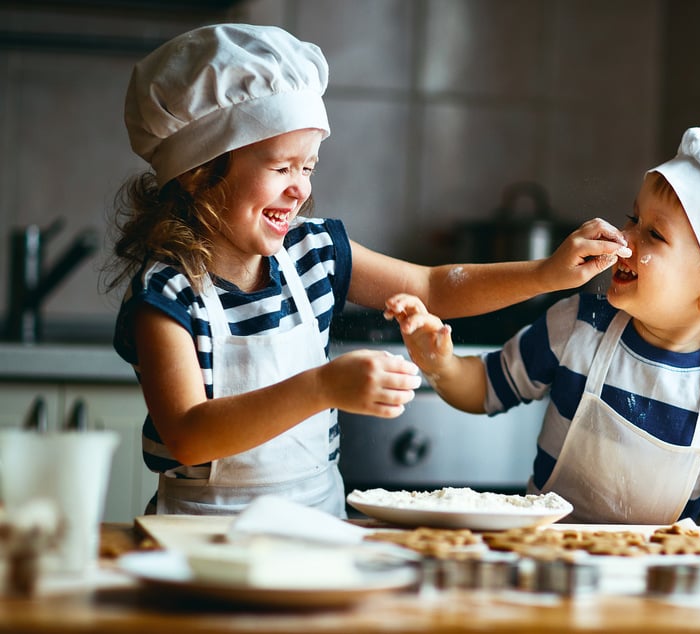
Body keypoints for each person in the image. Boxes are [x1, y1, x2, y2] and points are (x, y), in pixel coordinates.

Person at [106, 23, 630, 517]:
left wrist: (546, 274)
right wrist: (320, 388)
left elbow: (432, 285)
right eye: (281, 166)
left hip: (317, 527)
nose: (301, 188)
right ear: (200, 173)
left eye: (308, 167)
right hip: (199, 540)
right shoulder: (167, 293)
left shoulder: (314, 251)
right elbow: (187, 433)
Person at [387, 127, 700, 537]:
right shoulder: (577, 325)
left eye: (653, 235)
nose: (624, 238)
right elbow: (485, 388)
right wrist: (441, 364)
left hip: (655, 579)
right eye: (632, 218)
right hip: (544, 560)